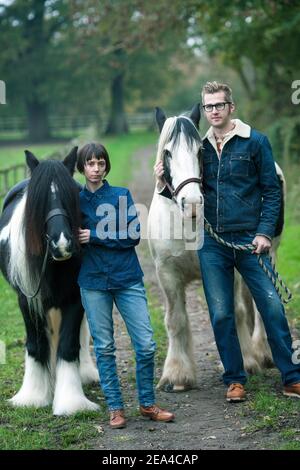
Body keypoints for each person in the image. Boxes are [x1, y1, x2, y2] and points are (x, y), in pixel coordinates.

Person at [154, 81, 300, 402]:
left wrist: (264, 232)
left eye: (220, 105)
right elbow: (183, 182)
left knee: (272, 306)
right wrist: (162, 177)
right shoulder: (198, 148)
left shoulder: (255, 141)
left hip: (250, 240)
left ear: (231, 107)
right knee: (221, 313)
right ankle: (234, 379)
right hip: (214, 243)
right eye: (208, 107)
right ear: (203, 111)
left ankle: (291, 376)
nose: (214, 111)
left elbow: (271, 191)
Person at [76, 142, 175, 428]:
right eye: (90, 164)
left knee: (145, 345)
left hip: (127, 278)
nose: (96, 169)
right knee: (105, 348)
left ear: (107, 165)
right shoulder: (75, 201)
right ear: (82, 167)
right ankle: (116, 408)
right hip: (93, 282)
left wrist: (94, 235)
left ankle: (147, 404)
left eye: (101, 163)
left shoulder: (121, 196)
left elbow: (132, 235)